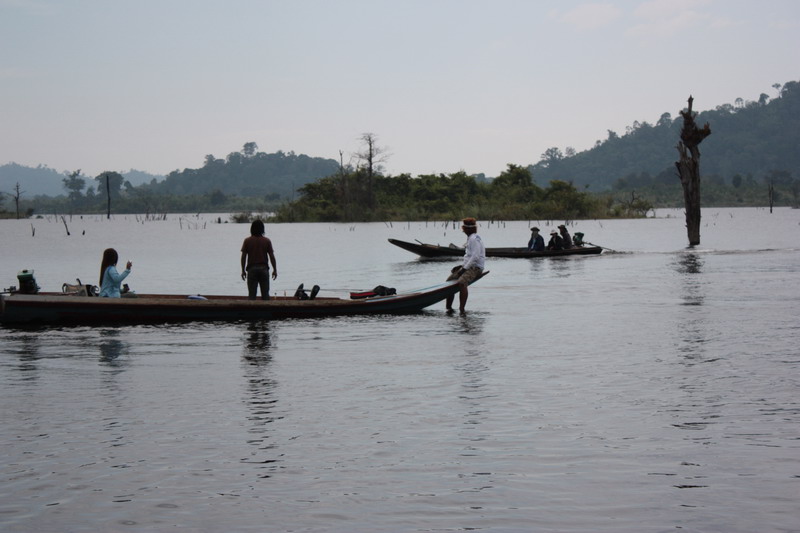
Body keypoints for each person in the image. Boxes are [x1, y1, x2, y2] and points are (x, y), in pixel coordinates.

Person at [445, 217, 485, 313]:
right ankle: (448, 308)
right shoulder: (471, 238)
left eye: (463, 228)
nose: (462, 230)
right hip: (468, 266)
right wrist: (461, 267)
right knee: (448, 282)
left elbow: (475, 256)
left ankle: (462, 309)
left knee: (462, 282)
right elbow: (469, 256)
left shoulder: (474, 239)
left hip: (476, 268)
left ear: (466, 229)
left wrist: (464, 269)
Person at [240, 219, 277, 300]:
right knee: (265, 295)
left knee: (252, 295)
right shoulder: (267, 241)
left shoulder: (247, 241)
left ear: (252, 229)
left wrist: (243, 270)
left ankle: (252, 312)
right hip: (264, 269)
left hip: (252, 269)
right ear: (262, 229)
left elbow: (243, 257)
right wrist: (275, 269)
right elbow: (272, 256)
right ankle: (267, 311)